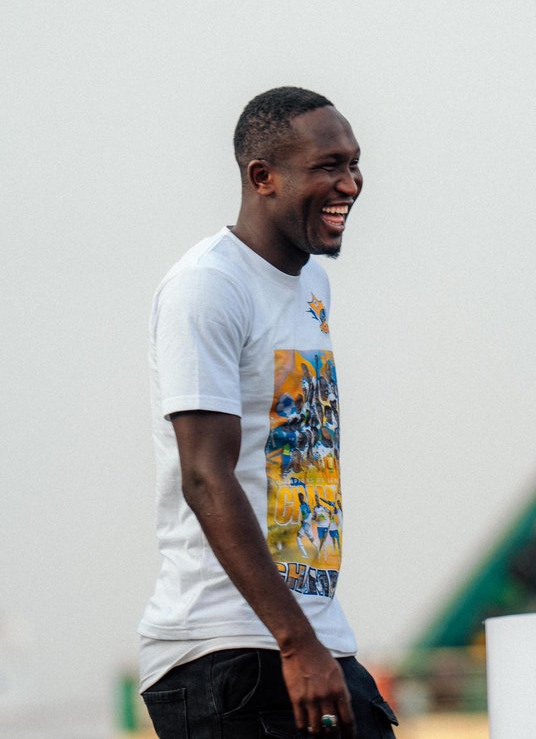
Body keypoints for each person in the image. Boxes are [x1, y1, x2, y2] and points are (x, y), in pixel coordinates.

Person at [138, 87, 397, 736]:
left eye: (354, 163)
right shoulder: (208, 286)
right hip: (227, 649)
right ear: (263, 177)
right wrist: (294, 643)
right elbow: (205, 475)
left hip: (311, 638)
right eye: (328, 166)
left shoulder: (312, 283)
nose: (350, 183)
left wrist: (310, 640)